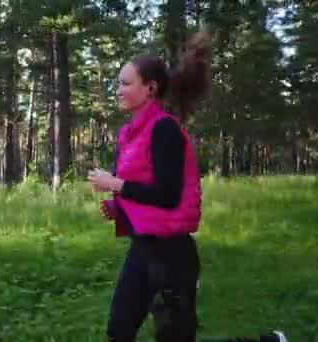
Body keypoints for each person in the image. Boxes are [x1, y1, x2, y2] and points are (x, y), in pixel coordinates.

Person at [87, 32, 287, 342]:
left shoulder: (165, 129)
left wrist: (114, 184)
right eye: (118, 83)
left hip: (172, 255)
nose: (118, 91)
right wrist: (117, 206)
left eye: (126, 83)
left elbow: (166, 195)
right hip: (142, 249)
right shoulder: (129, 134)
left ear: (150, 89)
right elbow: (141, 187)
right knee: (119, 329)